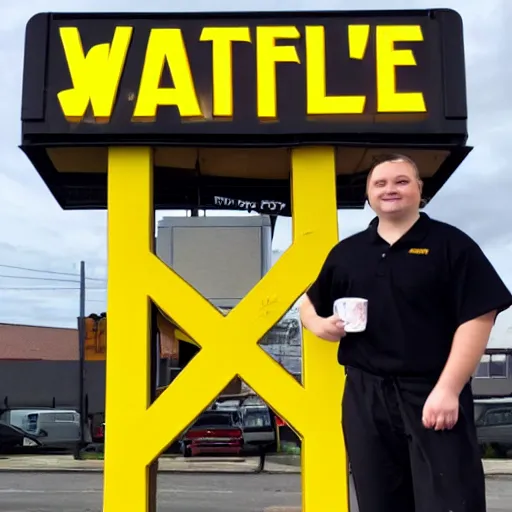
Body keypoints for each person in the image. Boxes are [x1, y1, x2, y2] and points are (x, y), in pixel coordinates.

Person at [299, 154, 512, 512]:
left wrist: (448, 389)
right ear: (368, 195)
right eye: (380, 183)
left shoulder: (451, 245)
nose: (390, 190)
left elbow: (479, 316)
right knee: (379, 499)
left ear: (419, 189)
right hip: (364, 394)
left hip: (432, 390)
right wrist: (321, 325)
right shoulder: (348, 253)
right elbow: (308, 302)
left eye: (401, 181)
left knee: (450, 499)